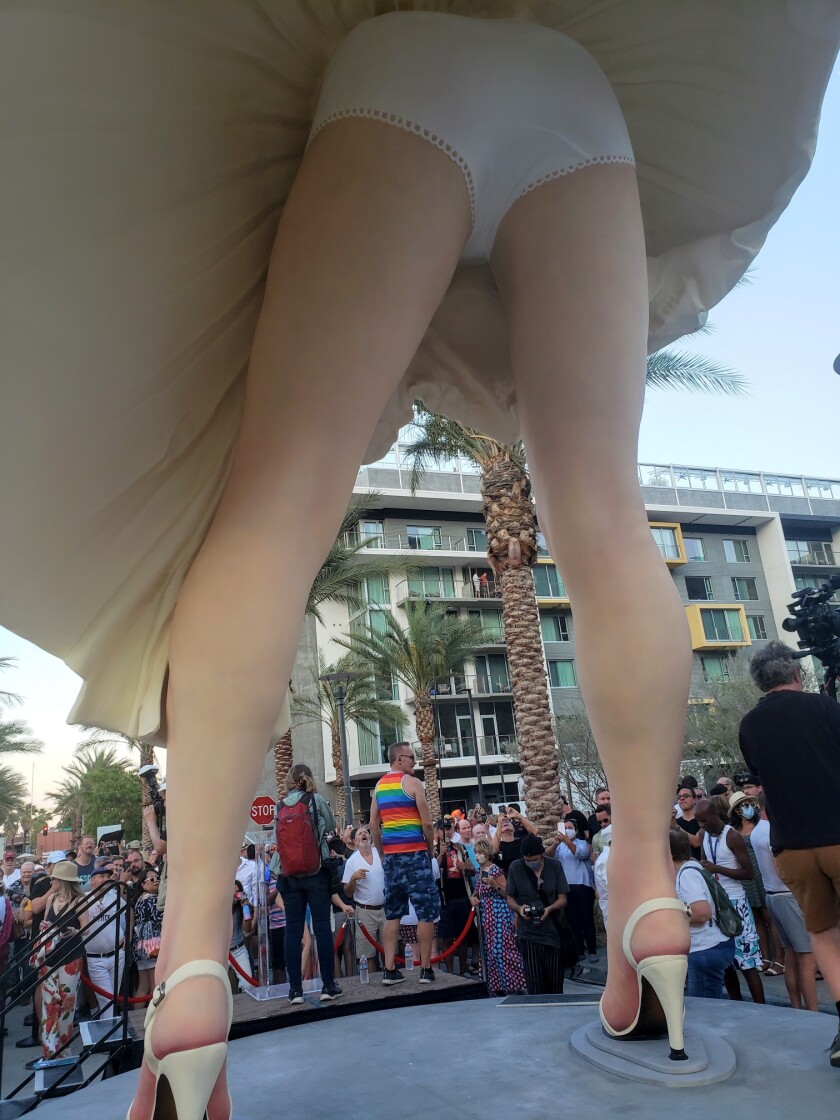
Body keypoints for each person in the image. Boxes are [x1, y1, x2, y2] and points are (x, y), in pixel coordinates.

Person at [1, 11, 836, 1113]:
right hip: (584, 103)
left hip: (395, 78)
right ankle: (648, 880)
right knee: (603, 513)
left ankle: (193, 960)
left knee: (275, 504)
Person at [739, 640, 840, 1066]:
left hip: (792, 849)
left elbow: (761, 776)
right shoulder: (826, 708)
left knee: (823, 936)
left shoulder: (749, 725)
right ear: (795, 673)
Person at [275, 764, 353, 1005]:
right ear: (309, 778)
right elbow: (329, 828)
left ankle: (295, 991)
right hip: (316, 871)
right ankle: (328, 985)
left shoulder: (280, 806)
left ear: (289, 781)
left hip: (288, 875)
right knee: (321, 929)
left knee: (293, 931)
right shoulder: (316, 800)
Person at [370, 742, 438, 986]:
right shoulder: (413, 783)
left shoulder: (379, 786)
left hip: (392, 858)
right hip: (415, 855)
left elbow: (373, 825)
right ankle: (426, 969)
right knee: (426, 911)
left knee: (393, 913)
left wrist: (382, 854)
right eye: (411, 757)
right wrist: (429, 850)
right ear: (399, 758)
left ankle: (389, 969)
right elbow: (427, 824)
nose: (415, 762)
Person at [695, 797, 765, 1005]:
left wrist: (718, 869)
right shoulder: (702, 834)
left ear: (715, 816)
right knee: (724, 963)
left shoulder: (732, 836)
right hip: (716, 904)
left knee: (747, 963)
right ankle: (735, 1006)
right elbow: (704, 865)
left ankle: (761, 1010)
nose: (701, 825)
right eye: (698, 821)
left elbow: (748, 873)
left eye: (703, 820)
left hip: (736, 904)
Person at [670, 829, 735, 999]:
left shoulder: (687, 875)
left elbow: (701, 913)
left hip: (705, 948)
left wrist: (671, 916)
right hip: (708, 948)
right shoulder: (690, 869)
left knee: (705, 1012)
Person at [33, 860, 85, 1059]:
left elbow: (86, 927)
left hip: (71, 956)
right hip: (50, 956)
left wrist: (76, 931)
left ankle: (64, 1050)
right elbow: (46, 922)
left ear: (63, 881)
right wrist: (43, 927)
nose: (51, 881)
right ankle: (49, 1051)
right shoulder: (51, 898)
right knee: (49, 1003)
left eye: (54, 878)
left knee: (66, 1005)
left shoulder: (79, 901)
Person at [506, 835, 569, 994]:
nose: (531, 862)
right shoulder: (516, 867)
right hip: (528, 934)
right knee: (535, 983)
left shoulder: (554, 866)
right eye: (527, 860)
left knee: (555, 983)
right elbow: (510, 899)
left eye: (534, 859)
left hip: (552, 931)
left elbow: (563, 899)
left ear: (542, 854)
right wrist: (520, 909)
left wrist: (549, 909)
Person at [469, 838, 525, 995]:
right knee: (490, 951)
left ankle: (513, 984)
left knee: (502, 949)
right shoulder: (479, 871)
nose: (478, 855)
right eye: (476, 853)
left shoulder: (496, 871)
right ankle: (497, 985)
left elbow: (508, 892)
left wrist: (495, 885)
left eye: (480, 852)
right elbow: (477, 891)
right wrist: (473, 897)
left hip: (499, 913)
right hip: (487, 915)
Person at [82, 858, 127, 1015]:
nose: (106, 879)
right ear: (93, 881)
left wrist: (126, 936)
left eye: (108, 877)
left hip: (117, 955)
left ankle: (109, 1032)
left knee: (113, 997)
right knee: (107, 1000)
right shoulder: (84, 899)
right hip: (96, 958)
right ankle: (111, 1036)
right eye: (101, 876)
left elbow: (127, 916)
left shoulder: (115, 897)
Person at [342, 825, 385, 973]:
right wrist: (353, 879)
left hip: (385, 909)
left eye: (366, 832)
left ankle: (391, 975)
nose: (363, 834)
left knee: (390, 949)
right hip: (365, 911)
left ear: (371, 837)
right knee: (368, 954)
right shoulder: (352, 862)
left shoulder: (380, 854)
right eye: (359, 834)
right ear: (355, 841)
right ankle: (373, 988)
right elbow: (347, 892)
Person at [554, 818, 596, 961]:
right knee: (573, 921)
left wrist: (567, 841)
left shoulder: (582, 843)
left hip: (583, 886)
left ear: (576, 830)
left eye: (569, 827)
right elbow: (549, 857)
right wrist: (555, 843)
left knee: (586, 919)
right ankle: (579, 951)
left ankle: (592, 950)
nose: (566, 829)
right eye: (564, 827)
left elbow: (581, 854)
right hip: (567, 888)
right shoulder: (559, 847)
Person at [132, 867, 164, 1002]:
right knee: (154, 985)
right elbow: (159, 919)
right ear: (143, 884)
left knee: (143, 985)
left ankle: (136, 1017)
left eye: (158, 878)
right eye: (151, 879)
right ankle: (154, 1018)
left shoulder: (139, 900)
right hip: (154, 944)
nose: (156, 881)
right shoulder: (153, 900)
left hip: (140, 945)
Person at [229, 880, 254, 993]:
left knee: (248, 985)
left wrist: (246, 908)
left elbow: (247, 929)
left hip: (238, 950)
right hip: (222, 953)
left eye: (238, 893)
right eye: (232, 893)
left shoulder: (241, 908)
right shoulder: (221, 908)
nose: (235, 897)